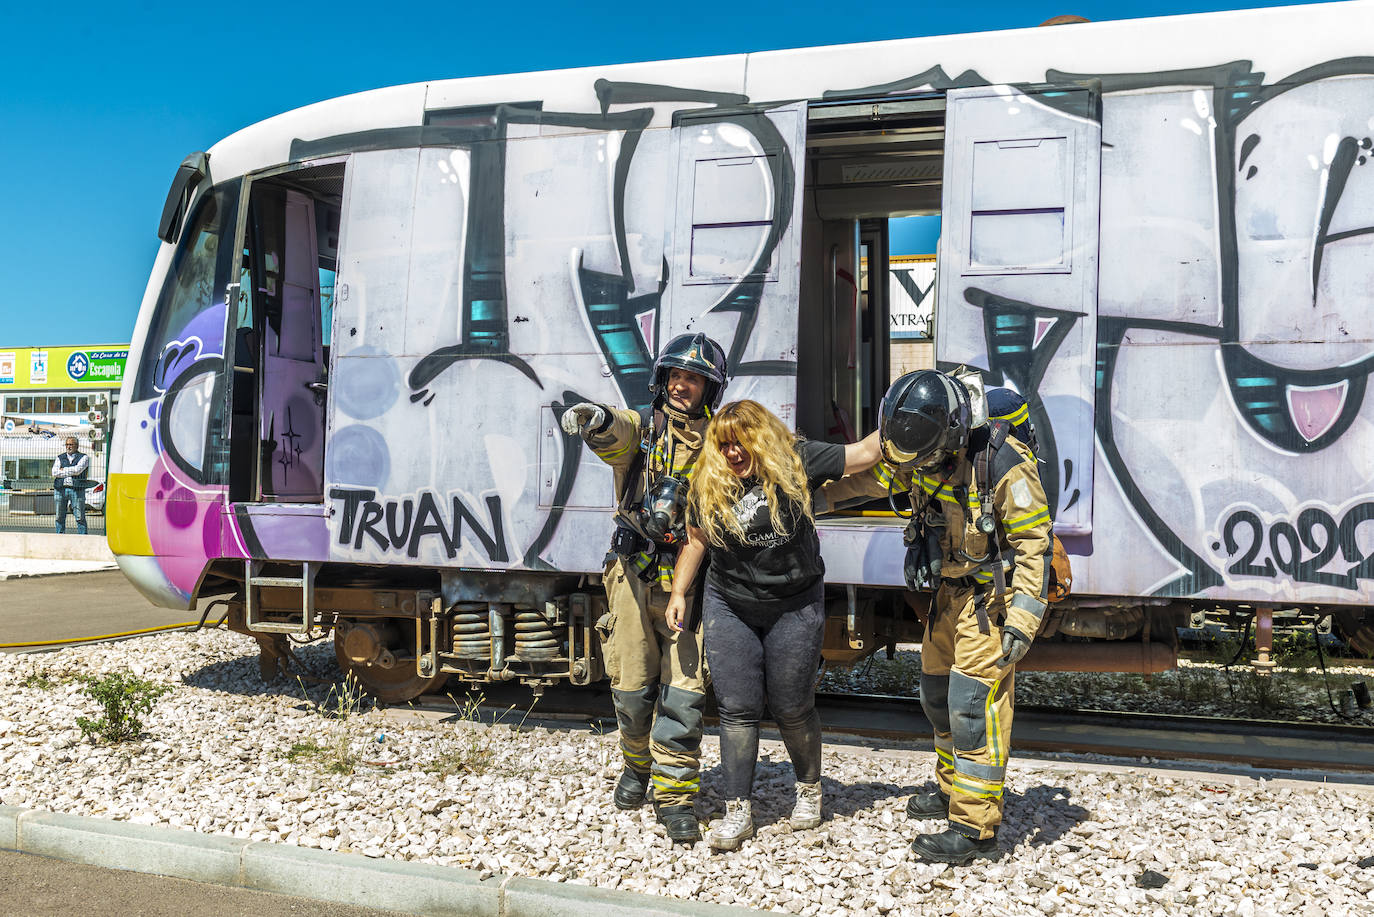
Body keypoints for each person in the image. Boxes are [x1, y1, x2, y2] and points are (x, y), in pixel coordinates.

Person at [665, 400, 880, 851]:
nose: (732, 454)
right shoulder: (706, 479)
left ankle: (808, 790)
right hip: (731, 603)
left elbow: (863, 454)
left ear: (761, 439)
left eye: (741, 443)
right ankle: (737, 809)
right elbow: (696, 540)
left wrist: (910, 418)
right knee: (737, 709)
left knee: (791, 707)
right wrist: (680, 592)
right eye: (723, 446)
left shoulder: (798, 460)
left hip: (795, 604)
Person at [878, 370, 1054, 865]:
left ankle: (975, 827)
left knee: (972, 707)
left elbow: (1032, 546)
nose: (920, 467)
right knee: (937, 697)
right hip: (948, 595)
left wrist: (1022, 619)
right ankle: (950, 789)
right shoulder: (919, 444)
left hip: (988, 600)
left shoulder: (1001, 462)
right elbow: (875, 474)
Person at [560, 332, 727, 844]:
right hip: (632, 576)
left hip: (691, 582)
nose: (682, 386)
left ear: (708, 389)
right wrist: (594, 419)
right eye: (676, 375)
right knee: (631, 692)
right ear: (663, 380)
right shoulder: (645, 429)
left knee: (684, 695)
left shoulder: (723, 442)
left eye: (694, 379)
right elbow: (617, 431)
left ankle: (675, 795)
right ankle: (636, 768)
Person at [52, 435, 90, 535]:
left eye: (71, 445)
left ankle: (83, 538)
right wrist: (71, 470)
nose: (68, 447)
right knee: (59, 516)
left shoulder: (84, 457)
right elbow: (54, 472)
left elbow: (78, 471)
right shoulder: (60, 457)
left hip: (76, 489)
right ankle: (59, 536)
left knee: (79, 516)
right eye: (67, 444)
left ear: (76, 446)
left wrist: (63, 470)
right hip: (60, 489)